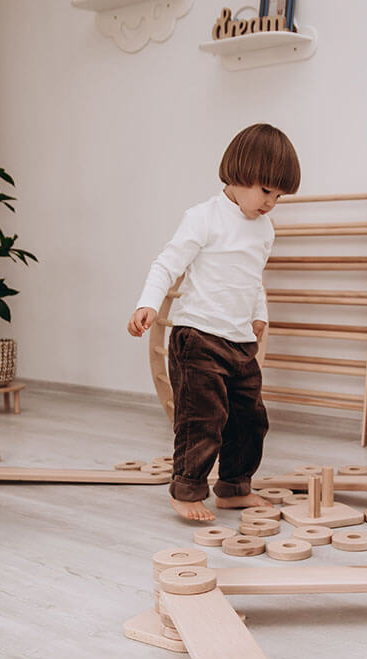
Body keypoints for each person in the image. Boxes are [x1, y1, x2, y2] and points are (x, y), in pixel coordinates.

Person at [127, 123, 301, 520]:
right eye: (266, 191)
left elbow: (254, 277)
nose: (271, 202)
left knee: (249, 420)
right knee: (202, 418)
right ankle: (187, 490)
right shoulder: (203, 218)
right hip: (198, 338)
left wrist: (259, 314)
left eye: (279, 196)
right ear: (239, 174)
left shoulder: (264, 229)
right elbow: (166, 264)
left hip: (239, 342)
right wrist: (148, 303)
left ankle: (234, 488)